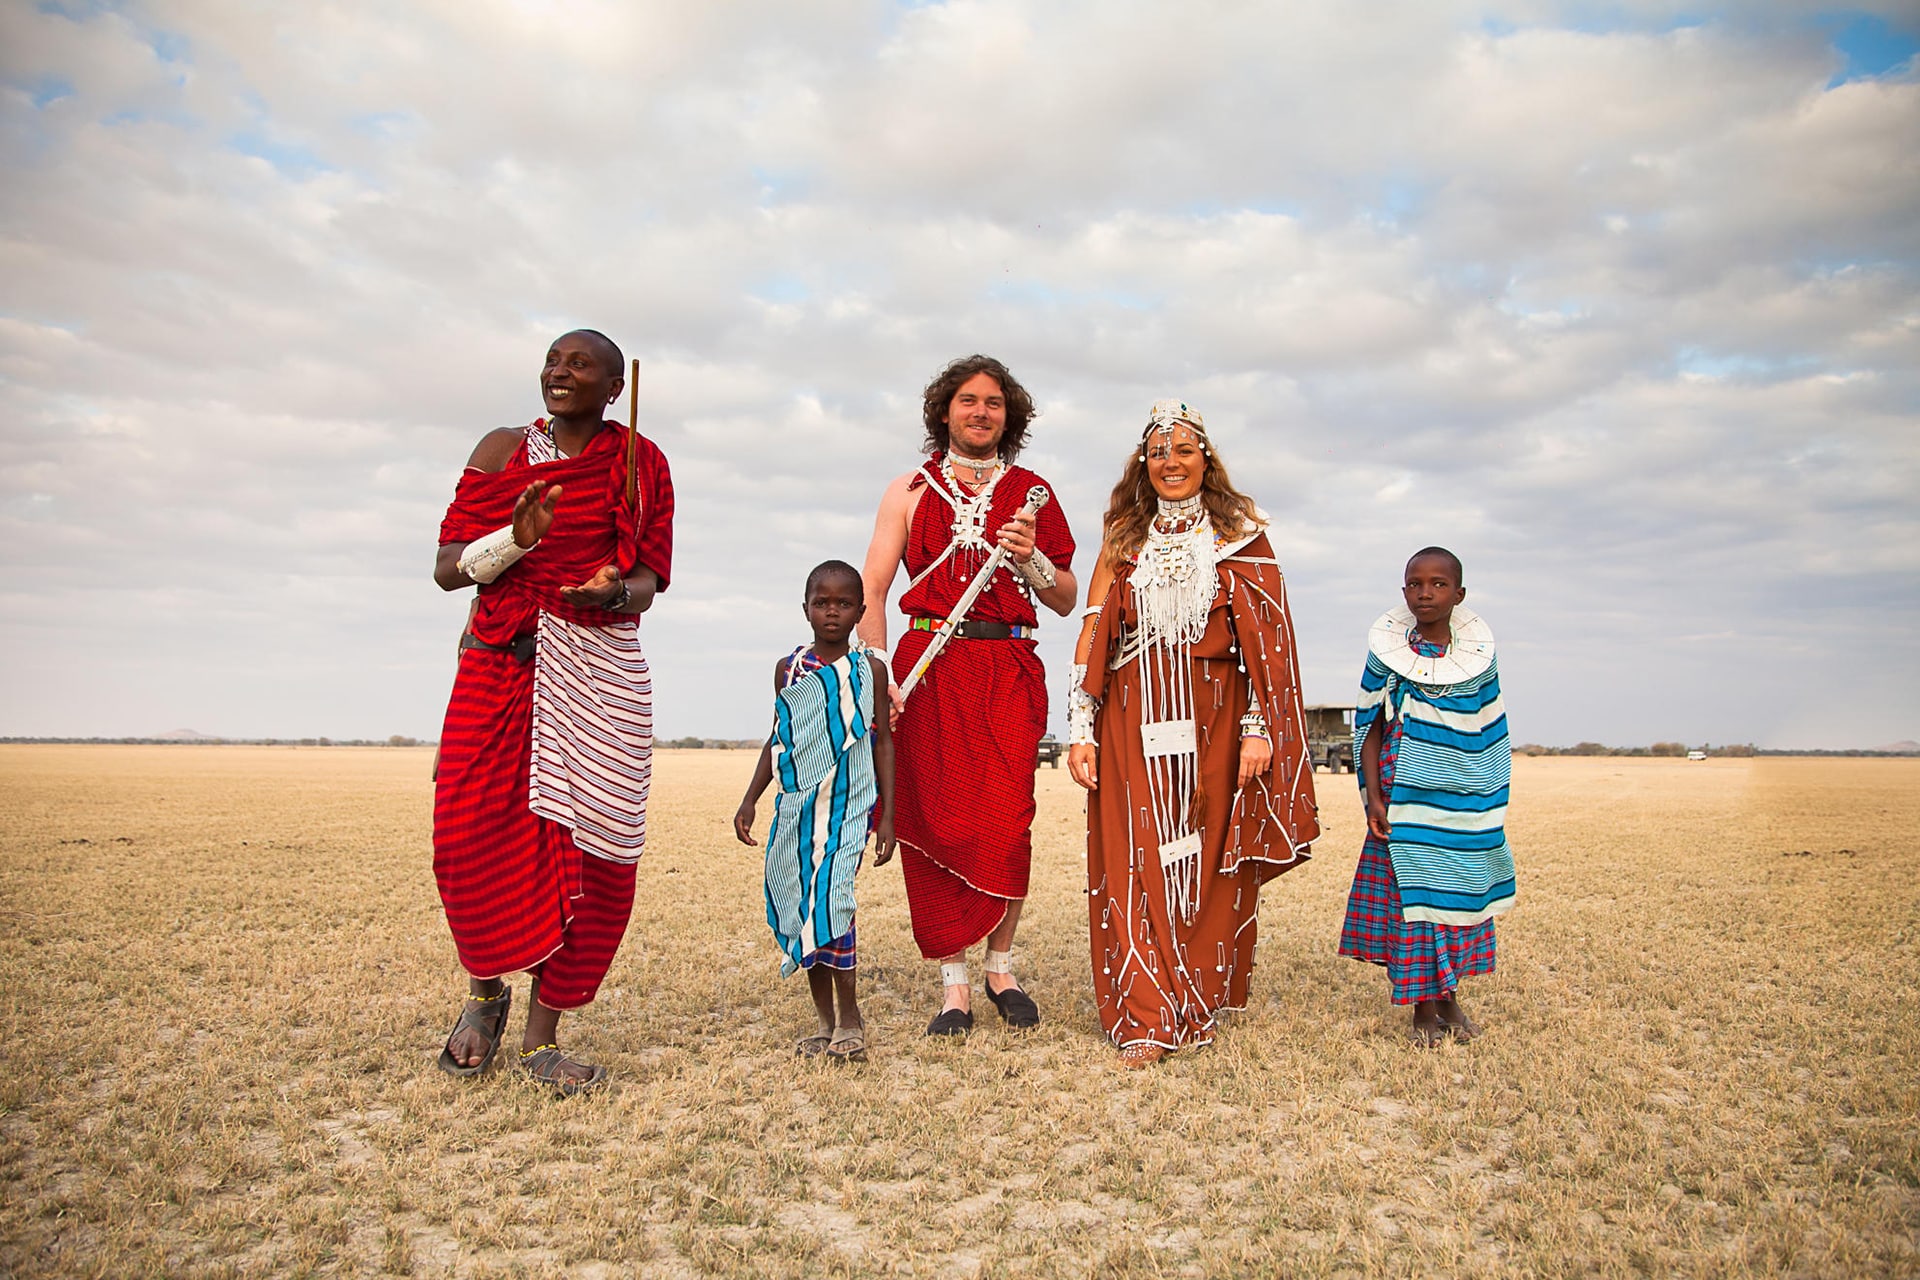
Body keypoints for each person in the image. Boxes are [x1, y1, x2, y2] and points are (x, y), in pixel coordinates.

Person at [430, 329, 674, 1094]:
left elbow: (650, 578)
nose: (559, 372)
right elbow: (446, 569)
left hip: (599, 675)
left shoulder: (640, 461)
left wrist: (613, 593)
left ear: (612, 388)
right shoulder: (504, 450)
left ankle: (542, 1038)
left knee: (597, 856)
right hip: (500, 668)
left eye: (581, 366)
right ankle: (484, 993)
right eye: (553, 361)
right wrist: (515, 539)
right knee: (465, 840)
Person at [1066, 399, 1319, 1068]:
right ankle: (1146, 1013)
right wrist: (1080, 727)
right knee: (1135, 861)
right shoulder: (1123, 538)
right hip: (1129, 721)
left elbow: (1269, 644)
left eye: (1183, 450)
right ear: (1142, 465)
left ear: (1206, 459)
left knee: (1201, 863)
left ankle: (1194, 999)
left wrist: (1261, 730)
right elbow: (1094, 630)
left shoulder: (1241, 536)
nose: (1170, 462)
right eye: (1157, 453)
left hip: (1217, 724)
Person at [858, 354, 1078, 1036]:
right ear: (944, 410)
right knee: (934, 822)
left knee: (1007, 821)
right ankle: (954, 983)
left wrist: (1029, 558)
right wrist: (877, 678)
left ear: (1009, 416)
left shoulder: (1034, 490)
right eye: (967, 400)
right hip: (925, 669)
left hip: (1005, 665)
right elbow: (873, 587)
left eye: (993, 403)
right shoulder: (908, 490)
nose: (980, 411)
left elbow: (1068, 598)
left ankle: (1000, 967)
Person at [1337, 547, 1514, 1046]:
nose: (1426, 593)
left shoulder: (1479, 661)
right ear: (1403, 593)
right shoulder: (1387, 656)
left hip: (1463, 800)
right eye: (1415, 584)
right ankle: (1423, 1010)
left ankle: (1450, 1003)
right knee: (1415, 903)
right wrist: (1373, 797)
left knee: (1453, 899)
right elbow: (1369, 727)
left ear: (1459, 594)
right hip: (1402, 799)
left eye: (1438, 584)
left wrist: (1489, 800)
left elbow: (1489, 728)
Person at [733, 560, 897, 1062]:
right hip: (797, 809)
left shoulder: (869, 669)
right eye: (822, 603)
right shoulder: (791, 669)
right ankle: (825, 1023)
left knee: (834, 903)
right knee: (805, 908)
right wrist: (750, 799)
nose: (832, 613)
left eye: (843, 604)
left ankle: (852, 1019)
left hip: (849, 808)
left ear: (860, 611)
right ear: (805, 608)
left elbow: (883, 741)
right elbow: (778, 736)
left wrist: (888, 815)